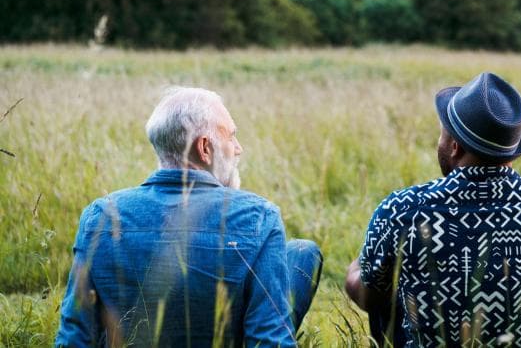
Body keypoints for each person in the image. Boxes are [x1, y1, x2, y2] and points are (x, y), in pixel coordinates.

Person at [345, 72, 521, 347]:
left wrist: (357, 268)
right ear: (512, 150)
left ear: (454, 147)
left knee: (390, 287)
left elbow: (368, 296)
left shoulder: (403, 209)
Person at [56, 87, 322, 347]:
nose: (238, 148)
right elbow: (271, 340)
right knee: (301, 254)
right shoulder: (260, 217)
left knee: (300, 252)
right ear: (204, 148)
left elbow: (74, 336)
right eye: (231, 137)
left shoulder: (100, 215)